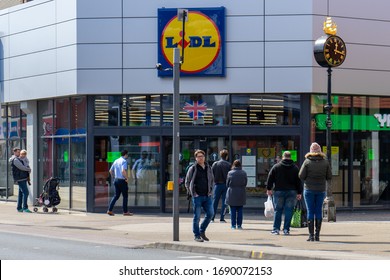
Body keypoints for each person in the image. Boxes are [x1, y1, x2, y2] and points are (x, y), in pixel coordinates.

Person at [299, 142, 332, 241]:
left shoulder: (307, 162)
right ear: (320, 150)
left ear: (311, 150)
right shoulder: (325, 162)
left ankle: (311, 235)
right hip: (321, 189)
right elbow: (329, 176)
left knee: (310, 211)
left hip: (309, 189)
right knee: (318, 211)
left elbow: (301, 175)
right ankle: (317, 235)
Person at [266, 151, 302, 235]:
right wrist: (299, 192)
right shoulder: (295, 168)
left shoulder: (276, 167)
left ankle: (276, 229)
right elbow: (298, 181)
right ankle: (286, 229)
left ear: (283, 156)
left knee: (278, 210)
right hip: (292, 191)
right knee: (289, 210)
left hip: (279, 191)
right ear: (290, 157)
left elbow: (270, 177)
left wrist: (269, 188)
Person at [185, 149, 214, 242]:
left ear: (205, 157)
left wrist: (211, 191)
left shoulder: (208, 168)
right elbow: (187, 182)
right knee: (197, 217)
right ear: (196, 158)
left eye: (202, 156)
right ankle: (196, 235)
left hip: (207, 195)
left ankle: (202, 231)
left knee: (210, 214)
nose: (201, 158)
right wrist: (192, 193)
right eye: (199, 157)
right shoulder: (193, 168)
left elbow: (212, 180)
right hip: (197, 196)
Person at [107, 150, 133, 216]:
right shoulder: (124, 161)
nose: (128, 156)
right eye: (127, 155)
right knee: (125, 196)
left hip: (116, 180)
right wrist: (127, 178)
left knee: (116, 196)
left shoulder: (116, 161)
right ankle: (125, 211)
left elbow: (110, 171)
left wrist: (113, 177)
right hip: (122, 180)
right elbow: (123, 171)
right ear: (125, 155)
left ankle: (110, 210)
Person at [225, 160, 247, 229]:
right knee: (240, 209)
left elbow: (227, 184)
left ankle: (233, 225)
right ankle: (239, 225)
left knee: (233, 209)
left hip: (232, 192)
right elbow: (245, 183)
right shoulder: (243, 173)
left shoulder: (230, 173)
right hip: (241, 192)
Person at [9, 147, 32, 213]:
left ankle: (19, 208)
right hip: (20, 178)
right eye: (18, 152)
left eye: (20, 152)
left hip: (22, 177)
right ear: (15, 152)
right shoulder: (15, 160)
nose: (20, 153)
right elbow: (21, 167)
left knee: (20, 193)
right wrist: (28, 169)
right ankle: (25, 208)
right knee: (26, 192)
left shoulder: (19, 159)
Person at [211, 148, 231, 223]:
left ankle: (212, 217)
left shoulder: (215, 164)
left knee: (215, 201)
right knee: (224, 202)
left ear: (220, 155)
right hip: (225, 185)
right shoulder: (228, 164)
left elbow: (211, 174)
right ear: (226, 156)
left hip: (217, 185)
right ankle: (222, 218)